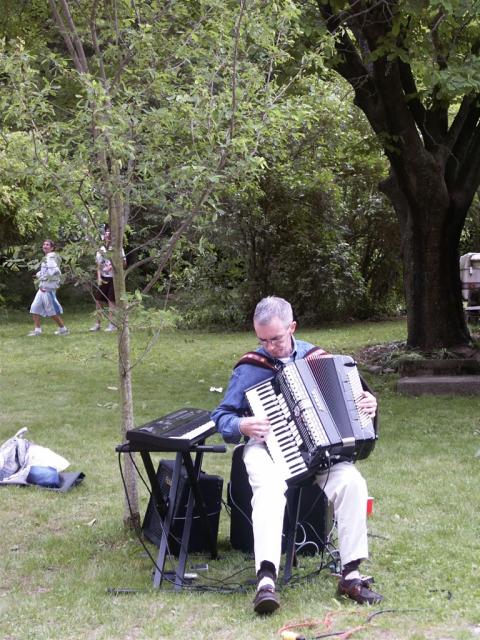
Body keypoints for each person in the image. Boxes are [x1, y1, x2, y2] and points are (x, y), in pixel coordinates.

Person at [212, 296, 383, 614]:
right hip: (266, 449)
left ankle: (351, 574)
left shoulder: (318, 358)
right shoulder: (251, 368)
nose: (269, 346)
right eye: (262, 339)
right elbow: (221, 416)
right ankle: (266, 579)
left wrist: (369, 406)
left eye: (275, 338)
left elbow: (357, 402)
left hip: (318, 455)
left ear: (292, 327)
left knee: (353, 484)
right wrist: (243, 424)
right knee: (269, 490)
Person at [28, 239, 69, 337]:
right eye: (44, 244)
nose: (45, 246)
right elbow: (46, 271)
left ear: (52, 248)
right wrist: (39, 274)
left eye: (47, 245)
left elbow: (55, 271)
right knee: (34, 308)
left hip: (48, 290)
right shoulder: (48, 257)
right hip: (41, 289)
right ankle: (37, 330)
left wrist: (46, 277)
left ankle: (63, 329)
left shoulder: (50, 257)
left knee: (51, 312)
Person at [90, 225, 124, 332]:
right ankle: (97, 324)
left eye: (110, 232)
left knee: (111, 302)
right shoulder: (101, 249)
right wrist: (99, 278)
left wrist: (114, 265)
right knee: (98, 301)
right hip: (103, 278)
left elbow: (124, 263)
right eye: (106, 233)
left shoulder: (118, 248)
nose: (107, 234)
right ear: (103, 235)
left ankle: (112, 324)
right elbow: (98, 266)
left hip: (114, 279)